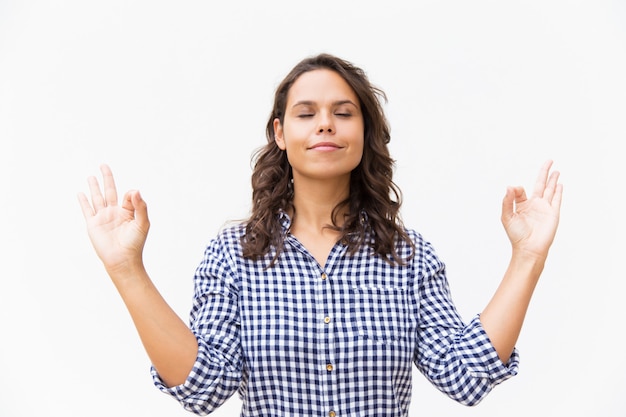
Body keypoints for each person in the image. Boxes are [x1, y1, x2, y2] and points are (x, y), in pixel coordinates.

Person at [78, 53, 563, 417]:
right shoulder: (232, 255)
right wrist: (127, 270)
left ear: (364, 131)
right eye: (306, 113)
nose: (325, 123)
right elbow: (204, 388)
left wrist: (527, 257)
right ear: (279, 133)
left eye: (344, 112)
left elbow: (466, 376)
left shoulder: (409, 256)